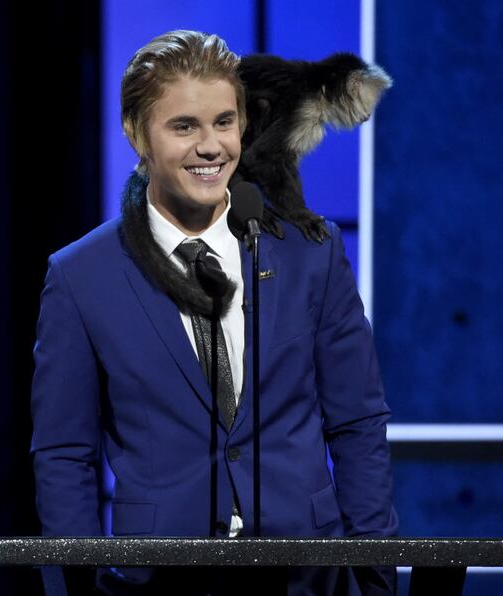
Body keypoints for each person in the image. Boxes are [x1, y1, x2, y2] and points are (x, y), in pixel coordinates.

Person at [30, 30, 398, 595]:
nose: (212, 147)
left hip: (308, 579)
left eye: (225, 123)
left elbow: (357, 423)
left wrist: (376, 584)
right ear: (136, 134)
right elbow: (64, 456)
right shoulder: (82, 276)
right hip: (157, 583)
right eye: (184, 127)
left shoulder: (311, 252)